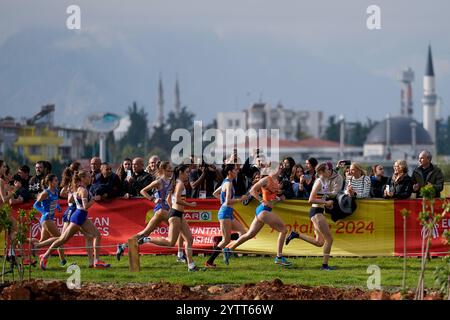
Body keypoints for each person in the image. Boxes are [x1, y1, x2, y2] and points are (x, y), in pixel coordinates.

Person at [39, 170, 111, 270]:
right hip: (78, 216)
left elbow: (70, 200)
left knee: (97, 235)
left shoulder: (79, 188)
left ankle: (96, 261)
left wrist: (77, 198)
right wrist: (94, 199)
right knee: (62, 239)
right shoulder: (83, 190)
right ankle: (45, 256)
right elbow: (85, 207)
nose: (90, 178)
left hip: (81, 216)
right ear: (82, 178)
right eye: (88, 177)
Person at [224, 164, 292, 267]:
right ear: (272, 169)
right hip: (263, 211)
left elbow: (271, 199)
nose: (280, 169)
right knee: (284, 230)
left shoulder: (276, 182)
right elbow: (252, 190)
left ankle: (228, 249)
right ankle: (279, 257)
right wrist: (261, 200)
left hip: (263, 210)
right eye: (278, 167)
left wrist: (278, 199)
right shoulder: (266, 179)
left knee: (250, 234)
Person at [116, 161, 185, 262]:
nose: (171, 171)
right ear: (163, 170)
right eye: (169, 169)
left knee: (145, 233)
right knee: (179, 229)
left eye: (171, 169)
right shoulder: (159, 181)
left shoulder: (171, 181)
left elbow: (169, 198)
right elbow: (143, 191)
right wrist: (152, 199)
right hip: (161, 210)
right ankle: (180, 255)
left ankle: (123, 246)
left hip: (165, 210)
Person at [139, 164, 200, 272]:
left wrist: (172, 209)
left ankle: (191, 266)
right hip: (176, 215)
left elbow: (168, 199)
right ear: (181, 173)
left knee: (189, 239)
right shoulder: (179, 184)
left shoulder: (175, 183)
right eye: (186, 172)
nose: (188, 175)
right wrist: (190, 205)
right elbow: (176, 200)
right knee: (171, 242)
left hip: (178, 214)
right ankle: (146, 239)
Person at [285, 163, 335, 270]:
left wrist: (327, 204)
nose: (329, 171)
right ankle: (325, 266)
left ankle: (296, 234)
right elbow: (310, 199)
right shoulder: (318, 182)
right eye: (327, 169)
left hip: (318, 211)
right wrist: (326, 202)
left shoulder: (325, 181)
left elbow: (321, 198)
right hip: (316, 212)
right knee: (329, 239)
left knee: (320, 242)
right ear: (321, 171)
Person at [205, 164, 248, 267]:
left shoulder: (226, 182)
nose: (237, 171)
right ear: (229, 172)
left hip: (228, 213)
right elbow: (228, 201)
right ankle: (209, 262)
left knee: (243, 232)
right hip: (225, 213)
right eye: (235, 170)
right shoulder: (228, 184)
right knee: (226, 240)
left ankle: (226, 247)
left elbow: (215, 193)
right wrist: (240, 199)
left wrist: (222, 200)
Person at [32, 174, 67, 266]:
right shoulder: (45, 193)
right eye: (55, 180)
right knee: (60, 238)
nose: (57, 182)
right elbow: (36, 205)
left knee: (42, 240)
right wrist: (44, 212)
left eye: (57, 180)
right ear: (50, 182)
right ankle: (63, 261)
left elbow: (54, 201)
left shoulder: (55, 190)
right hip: (46, 219)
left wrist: (58, 206)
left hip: (51, 218)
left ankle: (27, 241)